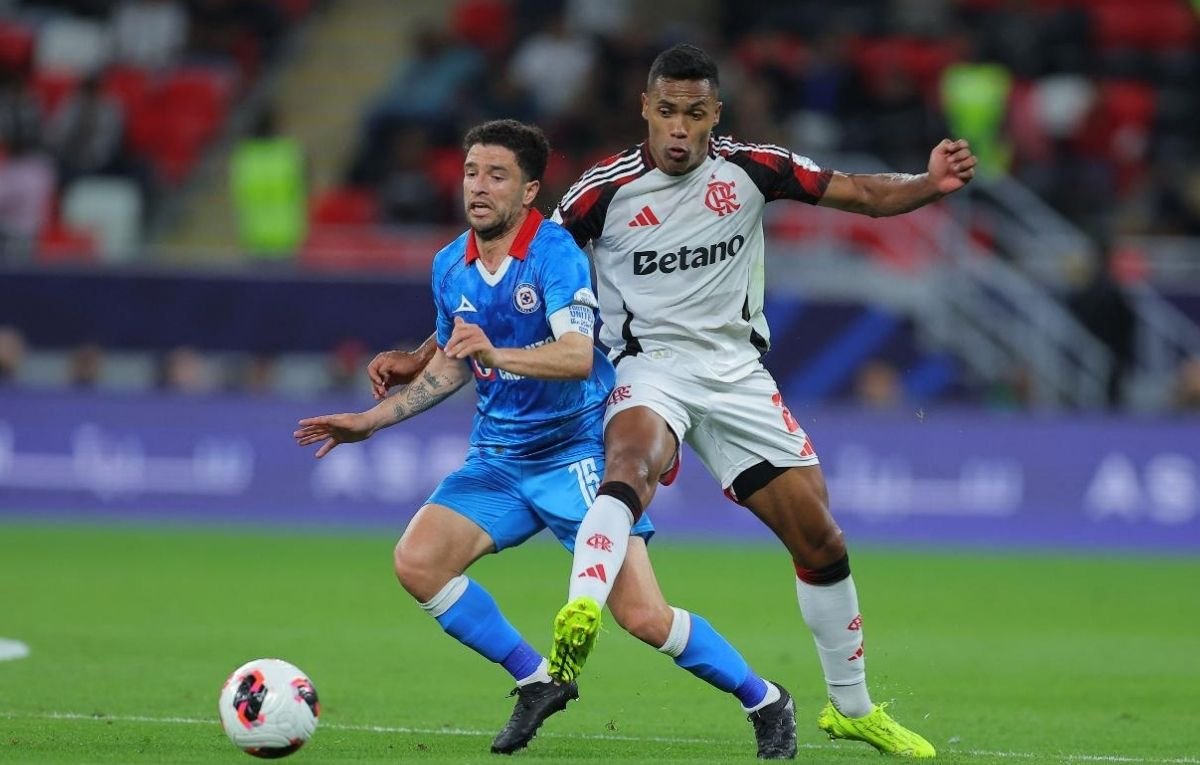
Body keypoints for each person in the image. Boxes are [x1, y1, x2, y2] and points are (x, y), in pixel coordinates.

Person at [371, 44, 977, 759]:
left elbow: (865, 196)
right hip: (649, 366)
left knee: (821, 542)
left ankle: (851, 707)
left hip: (737, 373)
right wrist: (425, 351)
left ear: (714, 114)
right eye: (666, 112)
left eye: (694, 113)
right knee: (629, 461)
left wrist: (930, 183)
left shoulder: (755, 168)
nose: (680, 128)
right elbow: (520, 275)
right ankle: (581, 610)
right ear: (646, 111)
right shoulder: (601, 192)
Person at [297, 120, 799, 758]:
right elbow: (455, 360)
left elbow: (575, 356)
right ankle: (537, 679)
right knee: (417, 562)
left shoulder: (556, 253)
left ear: (529, 190)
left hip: (577, 454)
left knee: (643, 617)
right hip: (498, 460)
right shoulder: (450, 264)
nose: (478, 187)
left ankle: (766, 699)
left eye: (497, 175)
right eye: (471, 172)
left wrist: (496, 354)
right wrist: (369, 421)